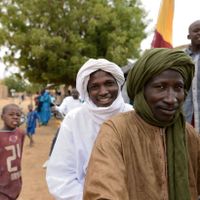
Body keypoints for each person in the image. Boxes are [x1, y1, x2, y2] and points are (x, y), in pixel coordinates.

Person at [83, 48, 200, 200]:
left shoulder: (188, 134)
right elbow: (102, 192)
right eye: (160, 87)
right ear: (141, 90)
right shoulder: (116, 131)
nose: (171, 99)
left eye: (178, 87)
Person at [46, 58, 133, 199]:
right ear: (87, 91)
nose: (103, 91)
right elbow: (61, 176)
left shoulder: (133, 115)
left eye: (109, 83)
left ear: (118, 84)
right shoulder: (74, 120)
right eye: (94, 87)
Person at [0, 103, 25, 200]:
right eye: (11, 115)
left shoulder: (21, 133)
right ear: (2, 117)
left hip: (15, 183)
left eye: (18, 115)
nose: (15, 117)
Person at [183, 20, 200, 133]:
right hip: (187, 115)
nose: (199, 33)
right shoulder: (181, 58)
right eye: (196, 31)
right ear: (189, 36)